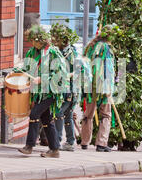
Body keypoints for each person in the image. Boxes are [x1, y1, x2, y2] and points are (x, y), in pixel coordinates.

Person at [16, 25, 68, 158]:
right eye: (31, 40)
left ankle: (29, 146)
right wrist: (17, 71)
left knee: (34, 114)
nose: (32, 43)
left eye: (34, 40)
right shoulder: (32, 52)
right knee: (46, 119)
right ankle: (55, 149)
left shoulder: (52, 53)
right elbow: (27, 68)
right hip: (38, 93)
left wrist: (42, 79)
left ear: (41, 40)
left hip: (51, 91)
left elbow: (60, 74)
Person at [80, 24, 117, 152]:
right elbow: (108, 69)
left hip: (90, 86)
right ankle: (101, 143)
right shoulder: (106, 48)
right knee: (106, 115)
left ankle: (85, 141)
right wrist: (108, 87)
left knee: (88, 114)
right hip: (102, 86)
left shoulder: (90, 47)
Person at [50, 23, 79, 152]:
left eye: (55, 38)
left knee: (60, 113)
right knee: (67, 115)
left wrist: (66, 75)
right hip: (67, 89)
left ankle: (58, 140)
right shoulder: (66, 51)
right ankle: (70, 142)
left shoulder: (69, 53)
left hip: (68, 90)